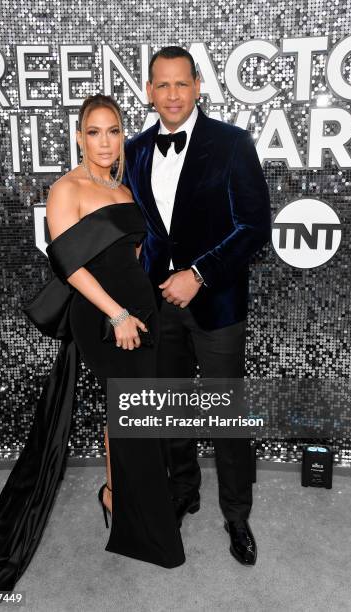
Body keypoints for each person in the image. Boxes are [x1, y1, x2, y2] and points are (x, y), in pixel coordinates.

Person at [0, 94, 185, 609]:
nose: (105, 141)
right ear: (79, 136)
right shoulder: (66, 189)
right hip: (106, 320)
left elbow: (129, 254)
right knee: (132, 415)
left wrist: (140, 305)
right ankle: (138, 521)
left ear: (122, 136)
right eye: (95, 132)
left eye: (114, 131)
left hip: (142, 317)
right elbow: (70, 267)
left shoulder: (122, 187)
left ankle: (116, 498)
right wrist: (117, 314)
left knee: (132, 415)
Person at [124, 46, 271, 566]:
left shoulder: (231, 143)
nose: (171, 94)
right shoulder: (135, 150)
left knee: (228, 417)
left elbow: (255, 226)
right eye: (161, 85)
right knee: (169, 411)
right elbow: (133, 227)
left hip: (217, 307)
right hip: (157, 309)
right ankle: (182, 493)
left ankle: (237, 515)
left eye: (181, 84)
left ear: (197, 86)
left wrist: (199, 274)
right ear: (149, 91)